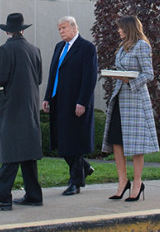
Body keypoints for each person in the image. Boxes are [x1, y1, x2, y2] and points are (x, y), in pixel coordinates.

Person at [0, 12, 43, 210]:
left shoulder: (5, 50)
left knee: (11, 150)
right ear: (22, 29)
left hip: (12, 106)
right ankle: (33, 195)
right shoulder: (35, 49)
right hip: (30, 105)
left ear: (8, 31)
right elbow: (38, 78)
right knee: (28, 151)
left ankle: (3, 197)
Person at [101, 15, 159, 202]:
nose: (118, 31)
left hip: (135, 101)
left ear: (129, 28)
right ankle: (122, 181)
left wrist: (129, 81)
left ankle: (137, 183)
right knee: (116, 140)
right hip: (120, 99)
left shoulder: (142, 45)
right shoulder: (122, 46)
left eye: (120, 28)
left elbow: (148, 74)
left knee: (136, 145)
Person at [42, 16, 98, 195]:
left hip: (76, 102)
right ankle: (85, 168)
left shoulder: (87, 48)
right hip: (59, 100)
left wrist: (82, 101)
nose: (61, 31)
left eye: (64, 28)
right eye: (59, 29)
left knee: (74, 142)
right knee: (61, 141)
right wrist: (47, 97)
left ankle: (75, 182)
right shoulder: (59, 47)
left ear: (74, 28)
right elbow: (53, 74)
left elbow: (89, 78)